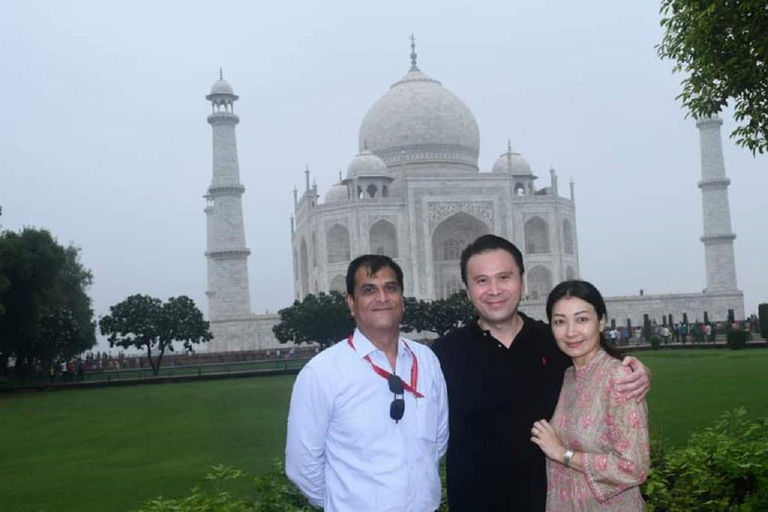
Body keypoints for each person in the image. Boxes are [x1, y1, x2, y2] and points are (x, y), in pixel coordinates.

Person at [431, 234, 650, 512]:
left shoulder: (556, 344)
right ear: (467, 289)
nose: (494, 290)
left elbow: (599, 369)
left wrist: (637, 372)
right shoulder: (444, 354)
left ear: (522, 280)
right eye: (481, 280)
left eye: (504, 277)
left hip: (549, 503)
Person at [285, 254, 449, 512]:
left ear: (402, 299)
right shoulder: (323, 372)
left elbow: (437, 443)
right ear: (351, 303)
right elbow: (301, 465)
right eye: (368, 290)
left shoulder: (426, 361)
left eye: (391, 288)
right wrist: (348, 501)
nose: (382, 298)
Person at [531, 280, 649, 511]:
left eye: (582, 319)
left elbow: (633, 467)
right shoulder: (567, 376)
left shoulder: (619, 378)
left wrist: (562, 454)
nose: (571, 332)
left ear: (601, 322)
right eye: (560, 322)